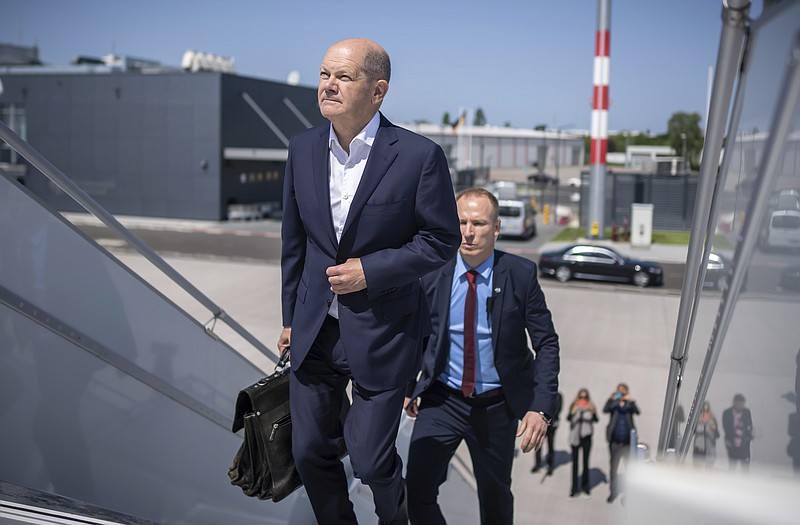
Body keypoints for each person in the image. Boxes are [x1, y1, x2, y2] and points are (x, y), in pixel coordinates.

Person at [277, 38, 461, 525]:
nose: (328, 85)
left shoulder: (420, 156)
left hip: (385, 330)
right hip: (315, 327)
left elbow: (442, 239)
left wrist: (371, 271)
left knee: (371, 461)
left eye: (343, 77)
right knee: (310, 449)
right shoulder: (301, 148)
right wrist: (289, 319)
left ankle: (394, 518)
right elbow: (294, 244)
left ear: (378, 91)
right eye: (323, 74)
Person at [404, 187, 560, 525]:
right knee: (415, 493)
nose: (468, 232)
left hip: (496, 406)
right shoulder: (432, 272)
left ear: (497, 228)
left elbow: (546, 343)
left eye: (479, 223)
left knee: (495, 498)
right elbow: (413, 334)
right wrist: (407, 386)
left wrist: (541, 408)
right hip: (442, 399)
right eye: (461, 222)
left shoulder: (519, 275)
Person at [603, 383, 639, 503]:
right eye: (619, 392)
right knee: (613, 468)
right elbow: (605, 409)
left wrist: (632, 400)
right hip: (615, 442)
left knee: (629, 469)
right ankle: (613, 492)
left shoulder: (629, 404)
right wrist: (611, 398)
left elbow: (637, 411)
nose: (621, 395)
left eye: (623, 393)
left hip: (627, 442)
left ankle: (629, 494)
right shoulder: (614, 404)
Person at [567, 388, 598, 496]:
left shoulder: (591, 406)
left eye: (585, 397)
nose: (583, 399)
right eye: (581, 397)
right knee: (575, 464)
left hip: (586, 437)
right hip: (575, 437)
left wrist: (592, 411)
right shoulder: (574, 405)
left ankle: (585, 487)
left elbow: (596, 420)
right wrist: (574, 411)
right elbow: (568, 418)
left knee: (585, 463)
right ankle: (574, 489)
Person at [532, 391, 563, 475]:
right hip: (541, 423)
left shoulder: (558, 396)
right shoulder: (543, 395)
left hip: (551, 424)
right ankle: (537, 463)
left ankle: (550, 465)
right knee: (538, 443)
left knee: (550, 445)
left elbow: (558, 409)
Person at [722, 393, 754, 472]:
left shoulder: (746, 412)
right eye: (739, 403)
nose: (740, 405)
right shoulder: (727, 413)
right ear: (734, 402)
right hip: (732, 442)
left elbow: (750, 425)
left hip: (744, 443)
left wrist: (749, 435)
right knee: (732, 465)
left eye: (742, 403)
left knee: (745, 465)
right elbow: (726, 427)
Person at [693, 401, 720, 468]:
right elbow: (693, 431)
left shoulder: (712, 419)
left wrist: (713, 427)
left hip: (709, 446)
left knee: (709, 466)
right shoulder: (697, 419)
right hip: (699, 446)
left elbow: (717, 434)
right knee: (697, 465)